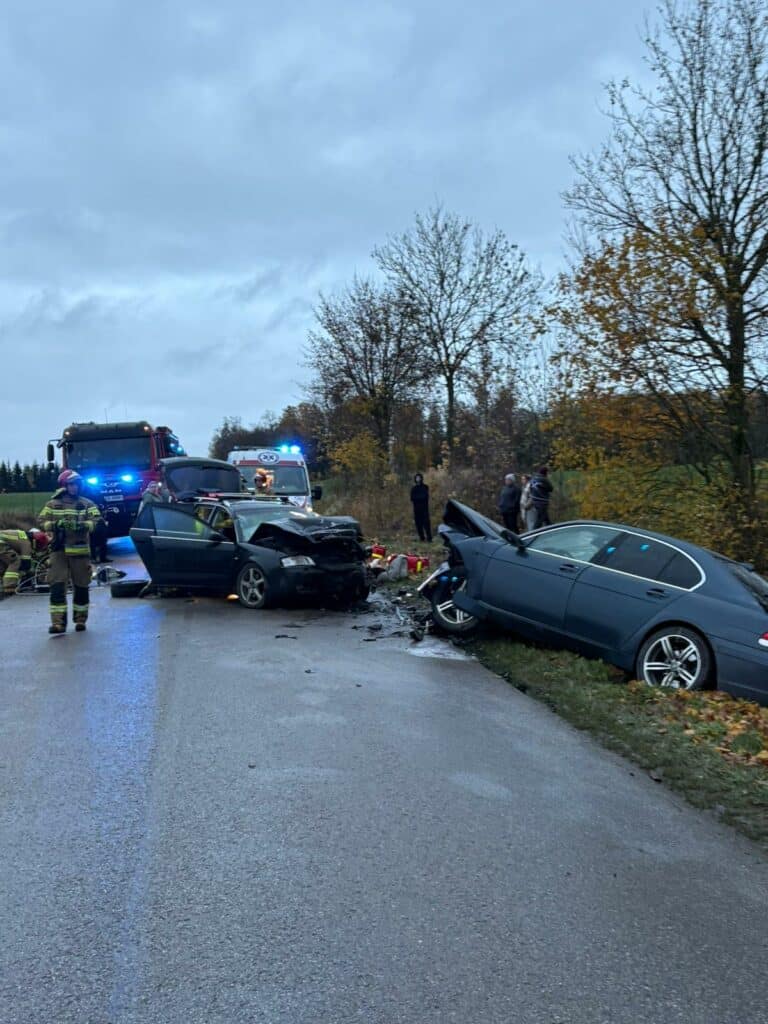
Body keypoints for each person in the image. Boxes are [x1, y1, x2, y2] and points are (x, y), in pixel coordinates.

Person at [38, 469, 103, 634]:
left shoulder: (87, 504)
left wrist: (83, 525)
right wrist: (55, 525)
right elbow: (41, 521)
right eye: (72, 484)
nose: (75, 487)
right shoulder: (52, 504)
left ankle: (80, 620)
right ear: (64, 486)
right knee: (57, 586)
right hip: (58, 551)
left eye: (77, 484)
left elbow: (97, 521)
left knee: (81, 586)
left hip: (80, 552)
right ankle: (58, 624)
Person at [0, 528, 31, 597]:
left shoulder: (21, 535)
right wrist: (24, 570)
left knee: (3, 564)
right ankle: (9, 587)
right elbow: (26, 559)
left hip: (2, 543)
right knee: (15, 561)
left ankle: (2, 586)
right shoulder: (26, 542)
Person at [410, 473, 432, 542]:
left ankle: (429, 538)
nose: (418, 479)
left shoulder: (425, 487)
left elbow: (425, 497)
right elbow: (412, 498)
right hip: (416, 509)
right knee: (418, 524)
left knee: (426, 523)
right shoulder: (414, 488)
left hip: (424, 508)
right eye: (417, 478)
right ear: (415, 479)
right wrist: (419, 498)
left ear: (421, 478)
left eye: (419, 477)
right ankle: (422, 538)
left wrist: (418, 498)